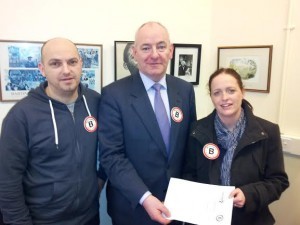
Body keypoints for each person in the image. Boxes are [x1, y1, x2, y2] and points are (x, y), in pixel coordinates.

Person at [98, 21, 196, 225]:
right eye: (145, 48)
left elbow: (189, 147)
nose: (154, 54)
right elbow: (112, 157)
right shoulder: (114, 95)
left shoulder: (184, 90)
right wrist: (145, 197)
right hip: (132, 209)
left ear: (171, 50)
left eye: (161, 46)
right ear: (134, 53)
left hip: (176, 208)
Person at [0, 37, 106, 225]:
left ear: (81, 64)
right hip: (42, 220)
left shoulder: (97, 102)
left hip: (89, 217)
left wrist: (96, 184)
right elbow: (7, 182)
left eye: (72, 62)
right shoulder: (21, 116)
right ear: (42, 69)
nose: (66, 70)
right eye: (55, 63)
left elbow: (109, 151)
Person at [182, 68, 289, 225]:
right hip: (206, 218)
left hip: (251, 218)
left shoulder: (267, 131)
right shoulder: (197, 130)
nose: (224, 98)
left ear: (242, 92)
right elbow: (188, 175)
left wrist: (249, 194)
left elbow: (278, 180)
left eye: (231, 90)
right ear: (211, 97)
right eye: (217, 93)